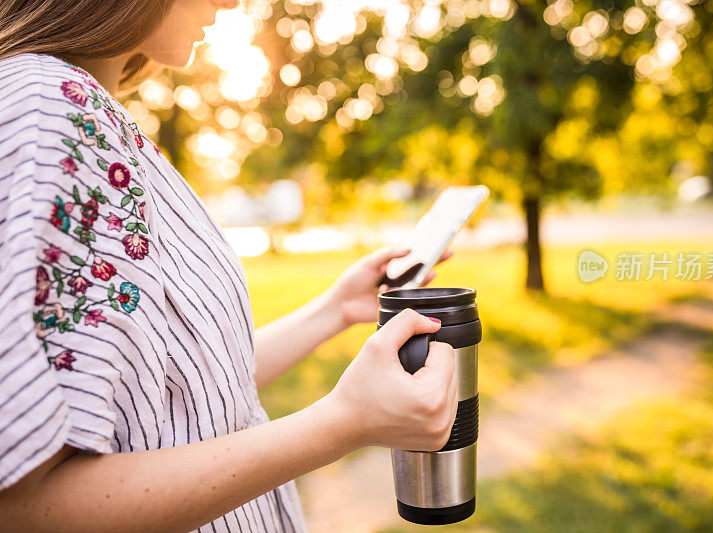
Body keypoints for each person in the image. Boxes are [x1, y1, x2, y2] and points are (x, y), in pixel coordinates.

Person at [0, 1, 458, 531]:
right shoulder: (47, 109)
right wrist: (342, 423)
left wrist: (334, 309)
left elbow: (180, 394)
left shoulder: (91, 115)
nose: (234, 2)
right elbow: (23, 507)